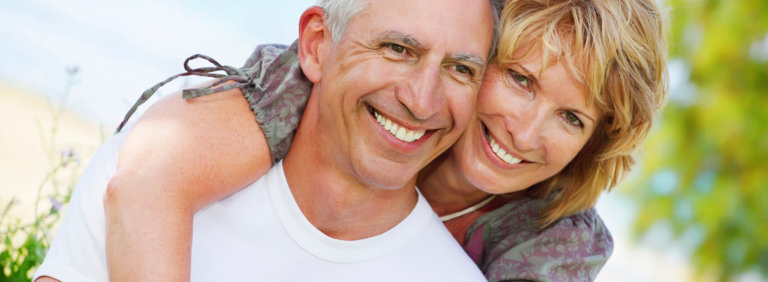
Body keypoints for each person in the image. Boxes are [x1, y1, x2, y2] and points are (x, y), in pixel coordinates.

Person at [100, 0, 668, 281]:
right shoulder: (328, 86)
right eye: (520, 80)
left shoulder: (557, 245)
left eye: (571, 118)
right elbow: (151, 180)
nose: (525, 130)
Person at [33, 0, 499, 281]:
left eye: (461, 69)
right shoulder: (157, 170)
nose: (422, 101)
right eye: (397, 49)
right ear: (317, 45)